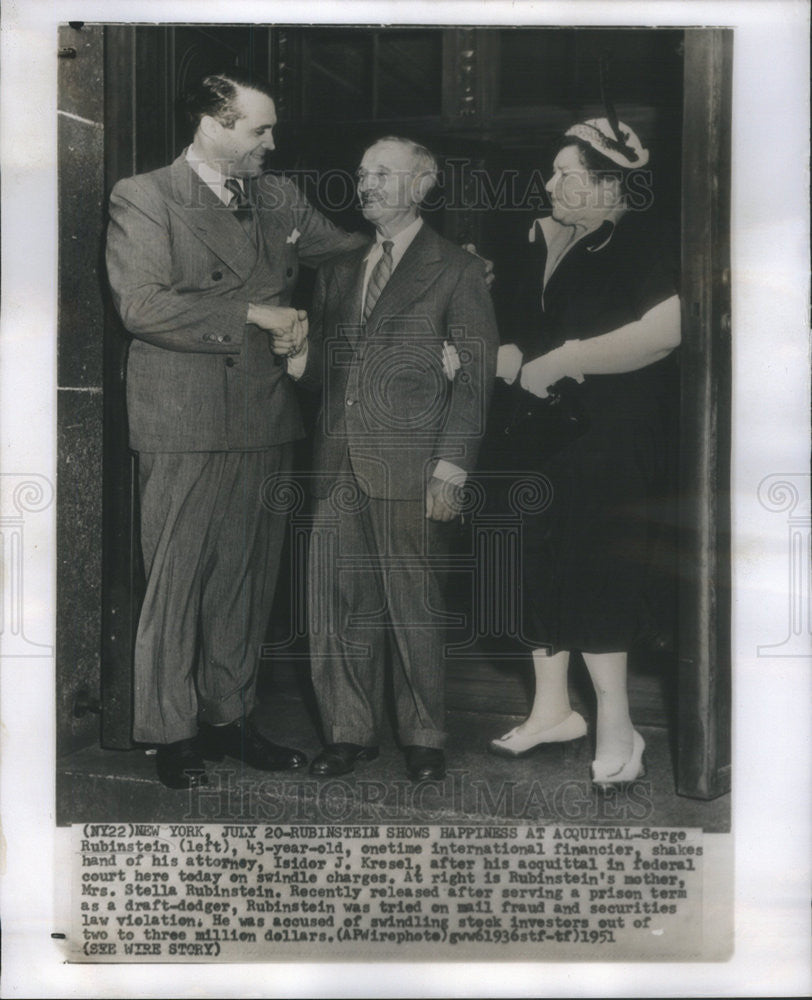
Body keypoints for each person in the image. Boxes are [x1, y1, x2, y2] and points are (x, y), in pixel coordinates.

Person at [105, 70, 368, 789]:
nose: (273, 144)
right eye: (261, 130)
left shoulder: (278, 197)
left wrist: (448, 262)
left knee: (245, 581)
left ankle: (231, 719)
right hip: (183, 418)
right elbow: (142, 306)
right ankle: (170, 734)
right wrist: (254, 314)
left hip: (262, 413)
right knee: (176, 582)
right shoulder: (146, 196)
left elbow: (348, 250)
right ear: (216, 124)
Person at [291, 137, 498, 782]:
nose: (366, 185)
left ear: (423, 185)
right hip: (335, 457)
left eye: (383, 174)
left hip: (412, 463)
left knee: (413, 601)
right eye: (362, 174)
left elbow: (476, 375)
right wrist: (296, 357)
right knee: (335, 600)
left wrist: (452, 465)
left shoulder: (457, 269)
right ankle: (347, 731)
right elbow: (328, 363)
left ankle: (424, 735)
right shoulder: (341, 266)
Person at [488, 118, 681, 788]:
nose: (550, 184)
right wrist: (509, 357)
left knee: (601, 575)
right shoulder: (565, 240)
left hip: (613, 440)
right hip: (550, 436)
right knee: (538, 565)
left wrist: (569, 358)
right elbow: (537, 334)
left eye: (567, 174)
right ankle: (551, 710)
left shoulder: (646, 240)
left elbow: (664, 332)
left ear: (610, 184)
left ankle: (619, 728)